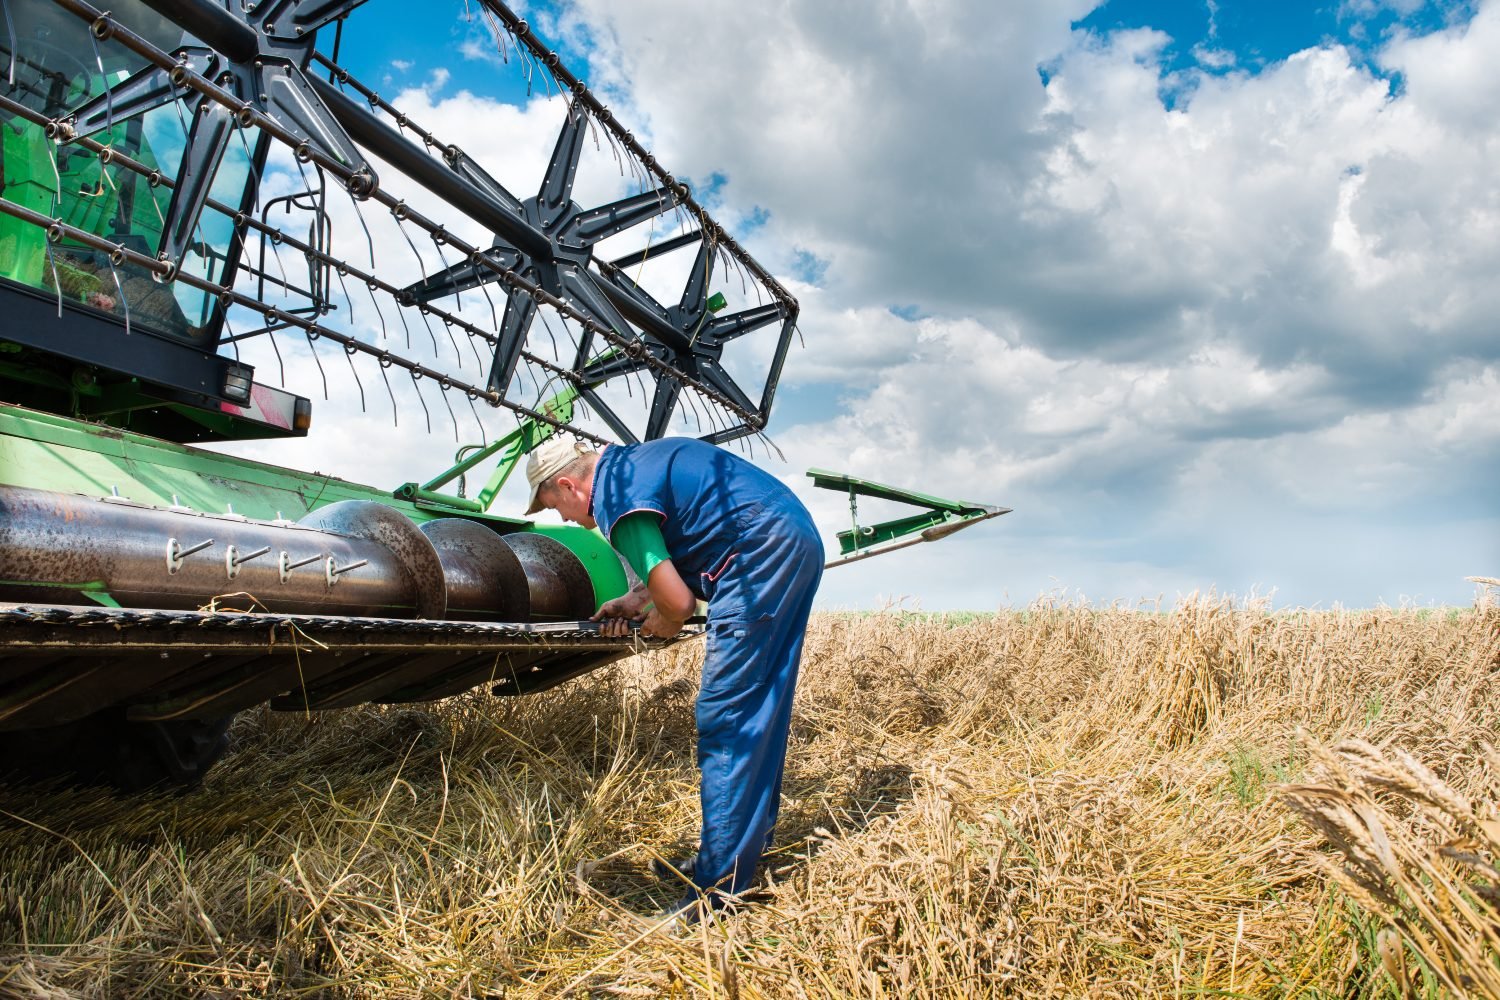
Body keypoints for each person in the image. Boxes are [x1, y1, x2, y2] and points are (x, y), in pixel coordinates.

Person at [524, 434, 824, 912]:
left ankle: (716, 895)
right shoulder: (636, 466)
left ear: (569, 485)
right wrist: (639, 598)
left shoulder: (615, 498)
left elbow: (680, 603)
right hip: (789, 535)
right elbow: (692, 537)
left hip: (757, 552)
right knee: (759, 707)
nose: (563, 519)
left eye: (555, 506)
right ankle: (739, 854)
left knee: (728, 717)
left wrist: (664, 617)